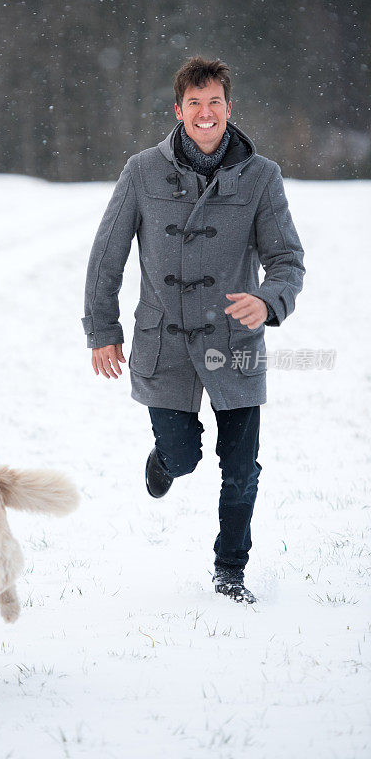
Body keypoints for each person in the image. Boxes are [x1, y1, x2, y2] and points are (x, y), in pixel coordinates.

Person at [82, 56, 305, 604]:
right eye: (194, 104)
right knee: (183, 458)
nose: (205, 115)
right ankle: (166, 459)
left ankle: (230, 569)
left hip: (234, 342)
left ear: (230, 109)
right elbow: (105, 258)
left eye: (215, 103)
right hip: (165, 341)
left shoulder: (262, 177)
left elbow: (287, 260)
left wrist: (269, 300)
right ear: (178, 110)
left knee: (242, 468)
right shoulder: (142, 171)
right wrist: (102, 329)